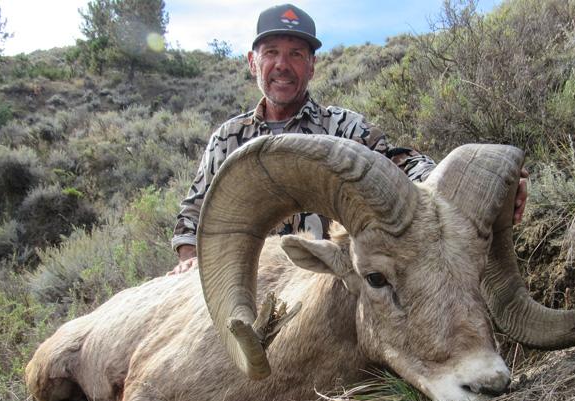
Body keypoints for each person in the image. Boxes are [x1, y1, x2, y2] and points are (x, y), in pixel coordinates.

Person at [169, 4, 527, 275]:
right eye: (271, 52)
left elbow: (403, 165)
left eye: (296, 54)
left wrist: (484, 185)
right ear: (252, 62)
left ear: (312, 65)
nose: (282, 64)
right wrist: (189, 260)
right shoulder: (228, 139)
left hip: (330, 287)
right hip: (255, 285)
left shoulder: (343, 127)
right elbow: (194, 214)